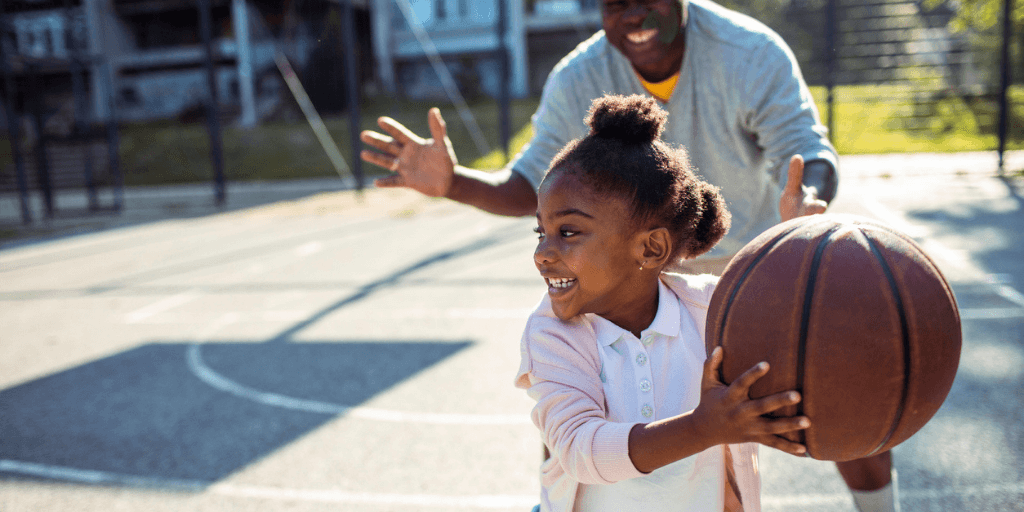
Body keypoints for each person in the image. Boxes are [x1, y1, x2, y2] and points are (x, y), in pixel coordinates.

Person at [361, 1, 897, 510]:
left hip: (741, 268)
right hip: (611, 272)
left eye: (648, 2)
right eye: (615, 5)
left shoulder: (750, 52)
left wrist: (805, 205)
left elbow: (806, 147)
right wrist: (455, 183)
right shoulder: (579, 77)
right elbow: (529, 184)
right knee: (572, 423)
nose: (632, 15)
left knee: (833, 380)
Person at [515, 94, 809, 512]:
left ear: (651, 248)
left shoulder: (712, 310)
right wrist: (703, 428)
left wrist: (802, 243)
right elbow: (582, 451)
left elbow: (797, 325)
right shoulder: (551, 333)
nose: (543, 252)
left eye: (569, 232)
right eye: (540, 232)